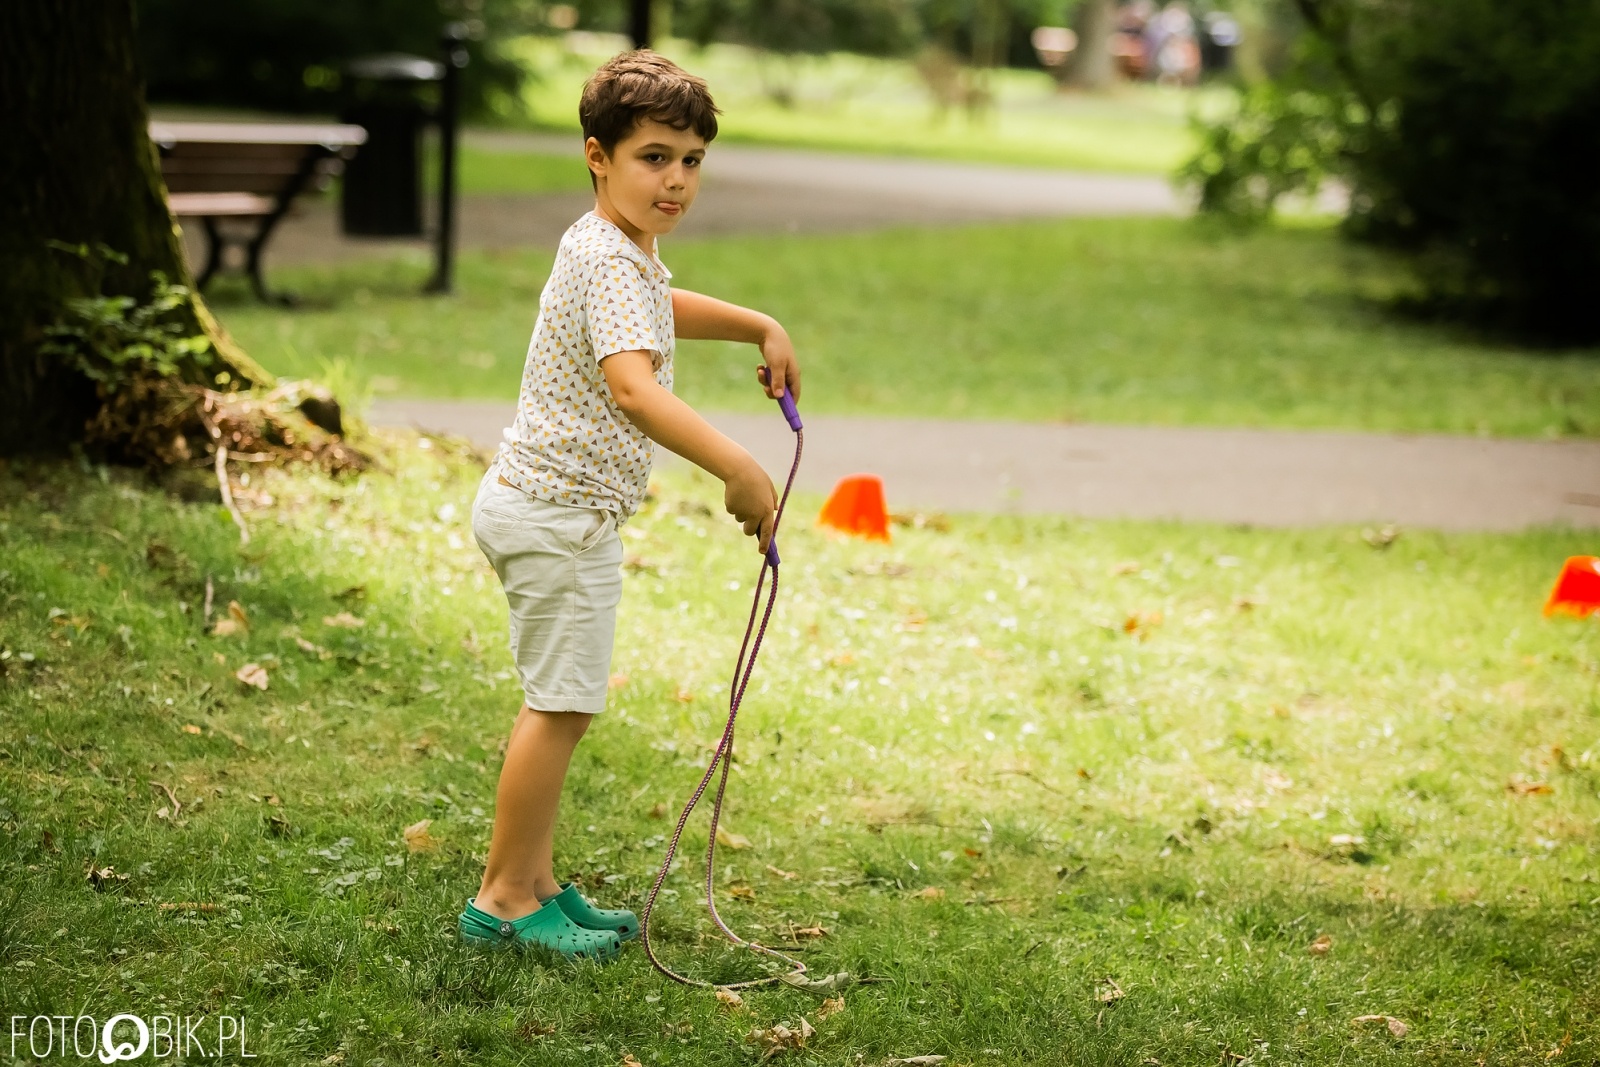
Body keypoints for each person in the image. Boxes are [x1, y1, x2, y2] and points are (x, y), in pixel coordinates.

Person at [456, 50, 802, 962]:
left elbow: (656, 306)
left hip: (555, 510)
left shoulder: (616, 247)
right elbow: (634, 388)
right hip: (557, 518)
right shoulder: (611, 256)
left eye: (691, 160)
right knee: (559, 707)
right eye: (654, 157)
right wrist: (737, 465)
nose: (676, 179)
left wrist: (757, 324)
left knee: (564, 700)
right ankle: (502, 900)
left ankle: (536, 884)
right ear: (597, 156)